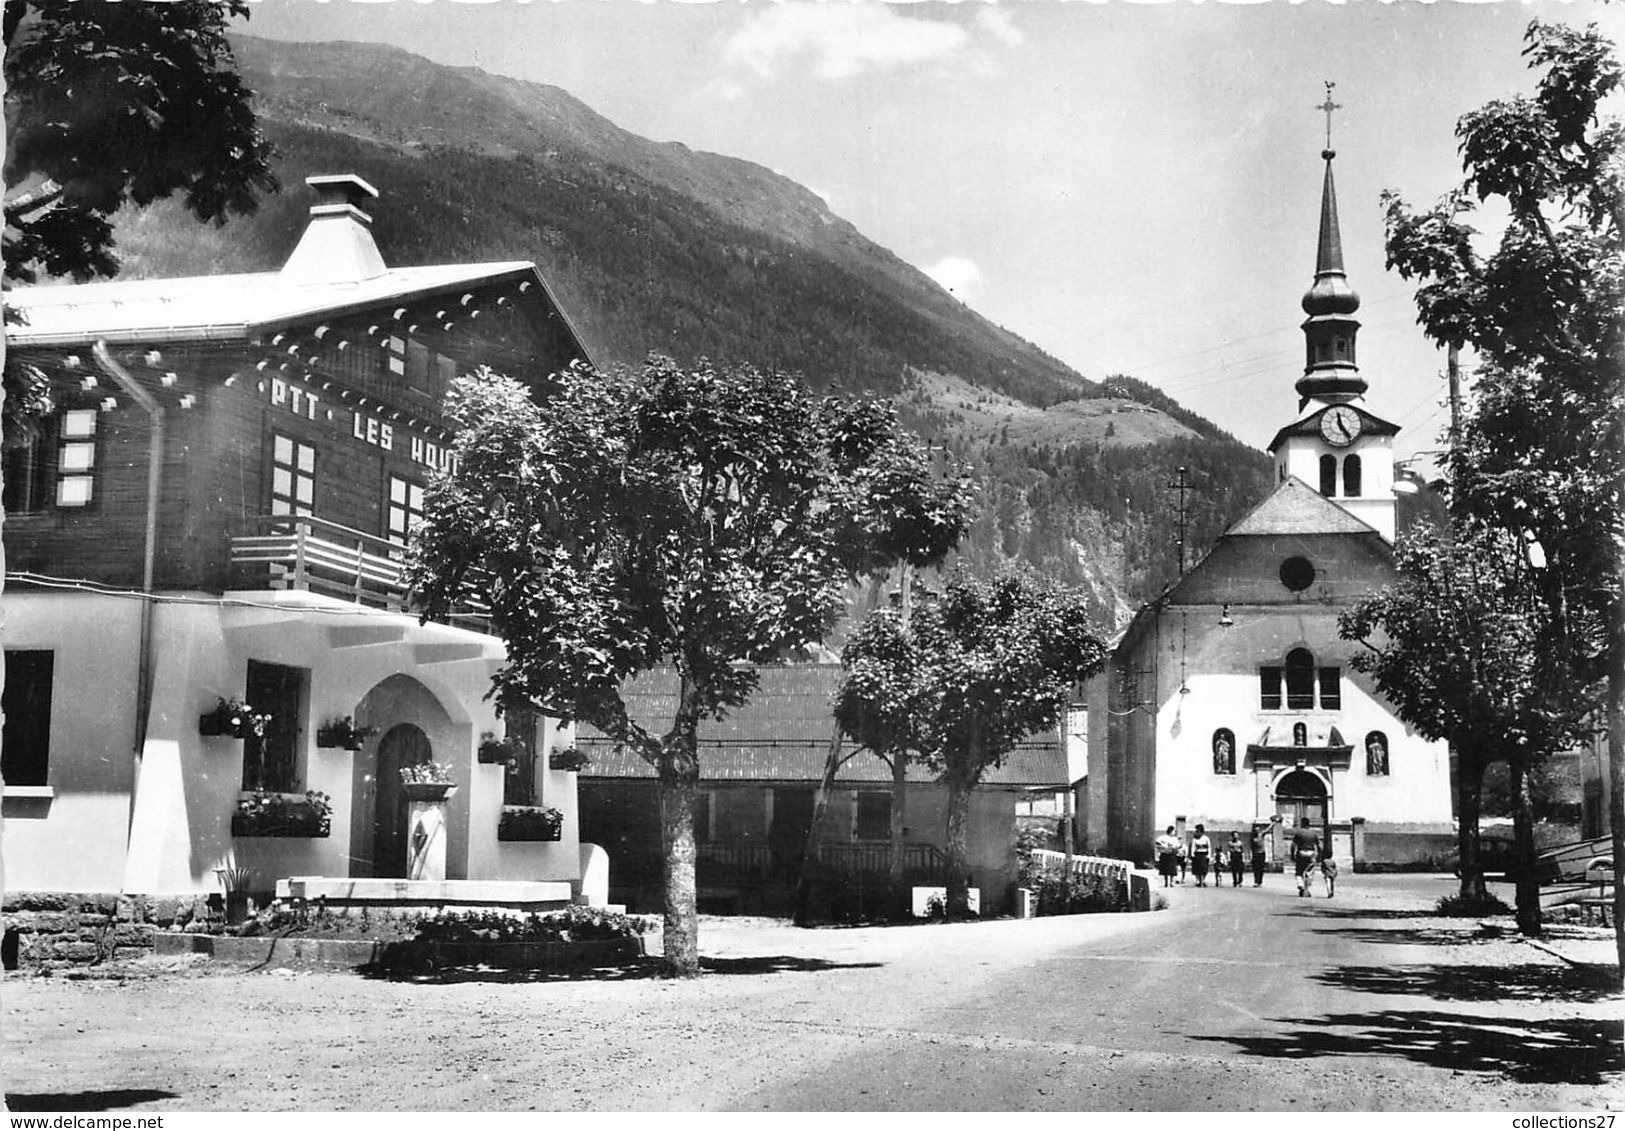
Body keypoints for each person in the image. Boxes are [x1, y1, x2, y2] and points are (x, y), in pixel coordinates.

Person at [1291, 819, 1323, 897]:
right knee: (1309, 872)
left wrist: (1292, 854)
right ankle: (1306, 889)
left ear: (1302, 824)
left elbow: (1293, 845)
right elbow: (1319, 846)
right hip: (1311, 853)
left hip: (1301, 852)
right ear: (1309, 824)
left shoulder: (1298, 833)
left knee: (1299, 871)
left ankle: (1300, 884)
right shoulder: (1313, 834)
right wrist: (1319, 856)